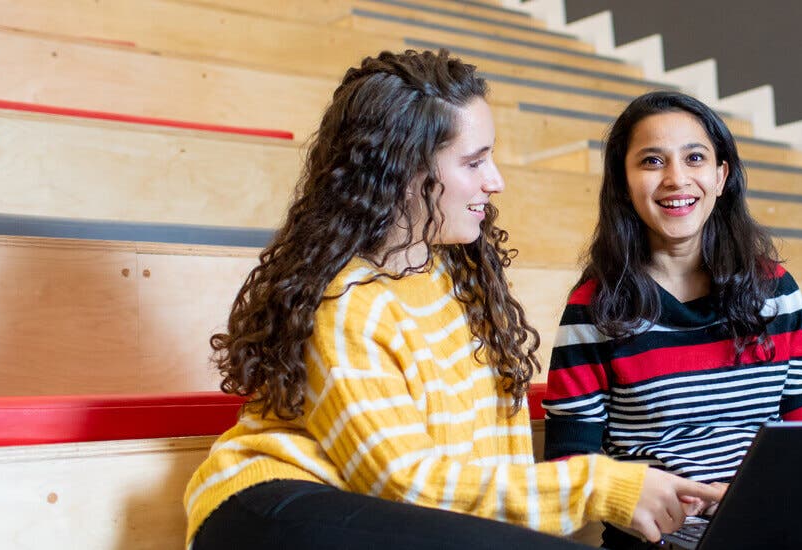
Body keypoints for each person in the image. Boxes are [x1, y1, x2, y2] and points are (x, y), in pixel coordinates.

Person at [182, 50, 721, 550]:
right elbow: (404, 485)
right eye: (474, 161)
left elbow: (481, 470)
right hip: (270, 508)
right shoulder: (345, 303)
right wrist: (601, 485)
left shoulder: (461, 271)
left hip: (387, 512)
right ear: (404, 173)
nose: (496, 181)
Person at [541, 91, 802, 549]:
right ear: (623, 181)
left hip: (772, 532)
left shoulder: (775, 290)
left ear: (721, 177)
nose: (676, 179)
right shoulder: (595, 306)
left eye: (694, 158)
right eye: (652, 161)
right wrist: (632, 499)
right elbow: (568, 464)